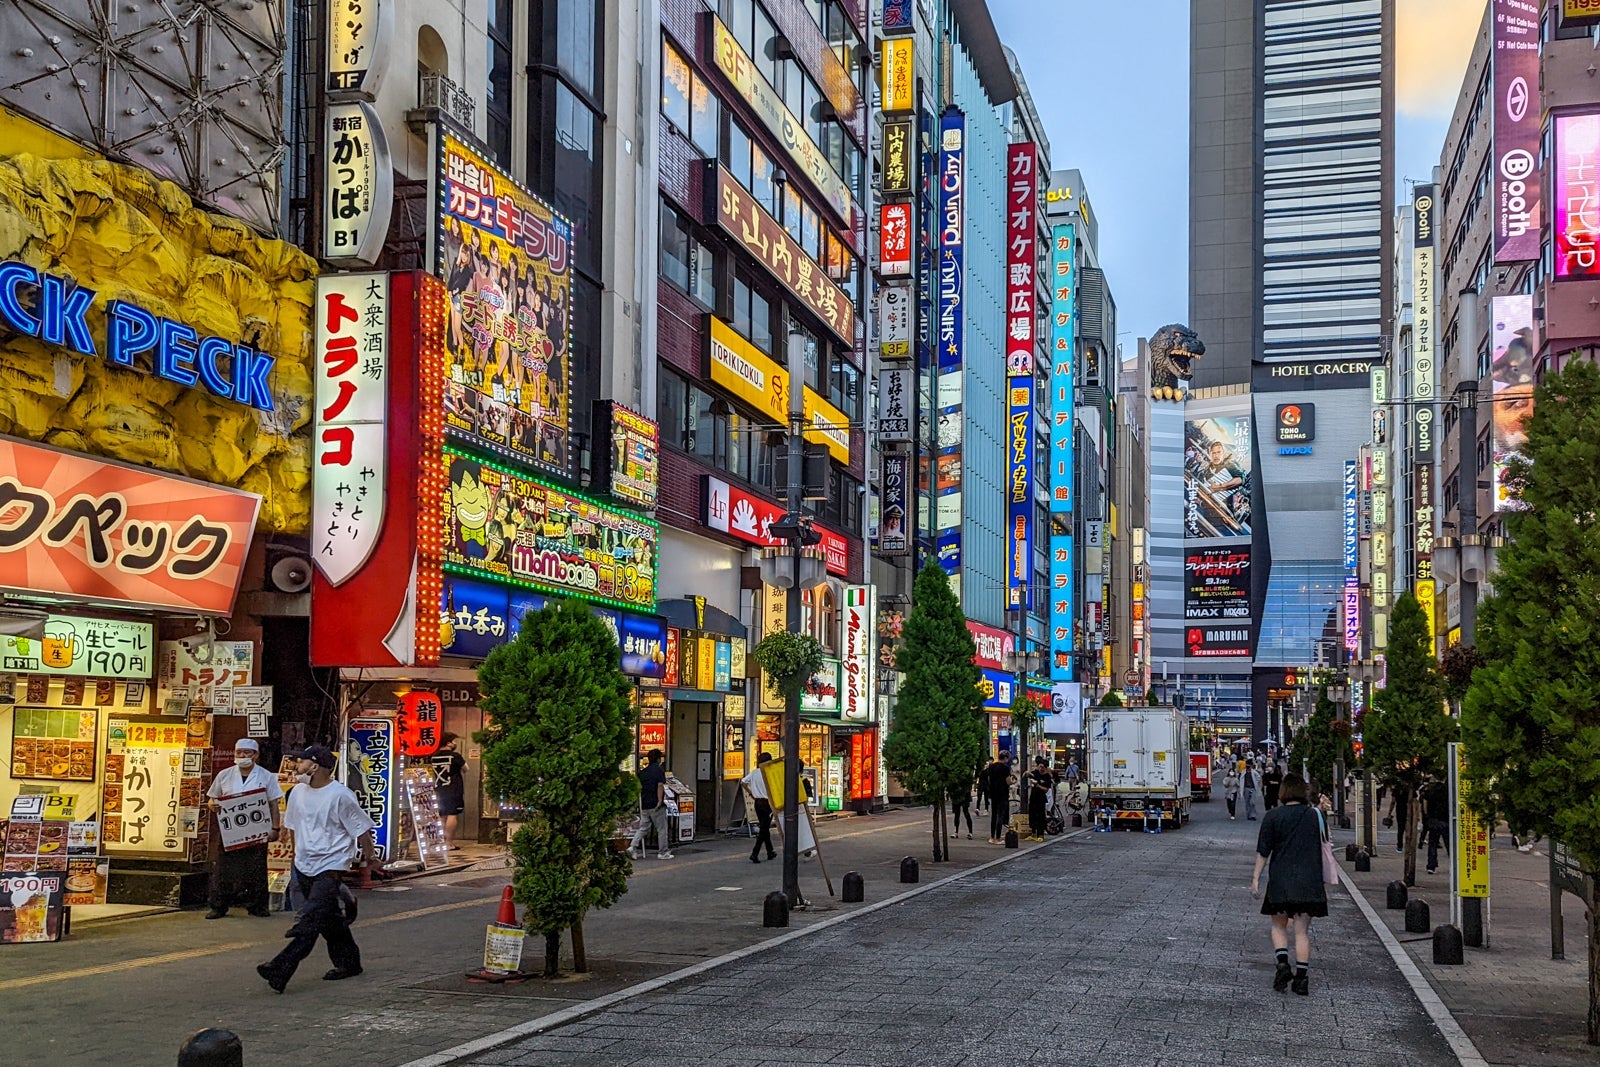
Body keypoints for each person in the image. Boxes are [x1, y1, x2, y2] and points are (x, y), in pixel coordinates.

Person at [256, 745, 376, 993]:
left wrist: (370, 857)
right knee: (329, 920)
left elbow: (361, 828)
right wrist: (295, 856)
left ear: (315, 766)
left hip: (331, 863)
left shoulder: (340, 795)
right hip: (304, 862)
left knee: (310, 919)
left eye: (301, 761)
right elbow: (293, 826)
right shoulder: (297, 792)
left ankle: (279, 968)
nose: (296, 766)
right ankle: (349, 963)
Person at [1251, 773, 1327, 997]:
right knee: (1302, 932)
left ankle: (1283, 964)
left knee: (1278, 926)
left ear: (1283, 791)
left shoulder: (1273, 816)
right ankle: (1301, 980)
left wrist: (1255, 878)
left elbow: (1263, 851)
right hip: (1309, 881)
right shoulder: (1315, 816)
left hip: (1281, 880)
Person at [205, 739, 284, 919]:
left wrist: (275, 828)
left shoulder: (266, 776)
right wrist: (212, 805)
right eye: (239, 752)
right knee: (223, 869)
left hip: (257, 831)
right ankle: (219, 906)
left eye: (247, 752)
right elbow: (212, 798)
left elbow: (273, 804)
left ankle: (257, 906)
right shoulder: (224, 775)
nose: (242, 756)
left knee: (256, 868)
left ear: (255, 755)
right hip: (230, 832)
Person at [629, 749, 673, 860]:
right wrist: (659, 800)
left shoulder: (643, 772)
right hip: (655, 804)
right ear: (658, 759)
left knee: (643, 828)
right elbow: (660, 785)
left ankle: (632, 846)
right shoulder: (658, 770)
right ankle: (663, 852)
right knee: (662, 829)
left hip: (644, 804)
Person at [430, 733, 467, 851]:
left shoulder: (434, 756)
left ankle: (441, 842)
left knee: (442, 815)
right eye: (454, 741)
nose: (455, 743)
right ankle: (449, 843)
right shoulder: (455, 756)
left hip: (439, 788)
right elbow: (466, 768)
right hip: (453, 789)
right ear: (448, 743)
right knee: (452, 814)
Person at [743, 752, 777, 864]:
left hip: (757, 802)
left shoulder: (754, 773)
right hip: (768, 802)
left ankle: (770, 851)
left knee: (764, 827)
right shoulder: (769, 773)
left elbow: (743, 782)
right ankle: (755, 853)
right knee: (764, 828)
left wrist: (751, 793)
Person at [983, 754, 1015, 844]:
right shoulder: (1005, 768)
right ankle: (998, 838)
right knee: (1000, 815)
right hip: (1002, 793)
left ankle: (992, 837)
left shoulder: (992, 767)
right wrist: (1013, 782)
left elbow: (988, 778)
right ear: (1005, 758)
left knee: (994, 815)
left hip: (993, 793)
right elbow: (1008, 781)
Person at [1421, 777, 1449, 874]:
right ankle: (1455, 864)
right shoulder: (1447, 790)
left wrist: (1427, 815)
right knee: (1449, 843)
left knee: (1432, 843)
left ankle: (1431, 866)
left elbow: (1424, 804)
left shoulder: (1430, 790)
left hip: (1433, 820)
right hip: (1445, 819)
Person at [1026, 758, 1053, 841]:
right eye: (1039, 766)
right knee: (1032, 815)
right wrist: (1027, 773)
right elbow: (1029, 774)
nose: (1040, 768)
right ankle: (1033, 833)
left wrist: (1038, 785)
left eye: (1042, 767)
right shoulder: (1035, 773)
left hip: (1041, 798)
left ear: (1046, 768)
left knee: (1040, 816)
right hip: (1033, 797)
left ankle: (1040, 834)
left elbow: (1046, 789)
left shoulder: (1047, 777)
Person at [949, 769, 975, 840]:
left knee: (965, 813)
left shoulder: (965, 773)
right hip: (958, 795)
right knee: (958, 814)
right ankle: (956, 832)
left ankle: (969, 832)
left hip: (963, 795)